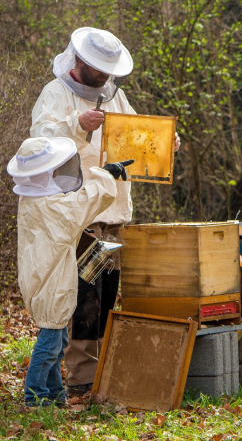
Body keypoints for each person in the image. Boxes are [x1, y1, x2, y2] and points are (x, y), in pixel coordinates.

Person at [30, 27, 181, 394]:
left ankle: (102, 373)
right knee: (86, 298)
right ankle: (83, 377)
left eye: (107, 69)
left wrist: (164, 145)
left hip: (114, 216)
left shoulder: (115, 94)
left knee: (108, 295)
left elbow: (134, 140)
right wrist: (76, 126)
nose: (104, 76)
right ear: (79, 60)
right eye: (98, 68)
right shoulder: (55, 94)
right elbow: (38, 146)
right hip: (80, 217)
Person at [6, 136, 133, 407]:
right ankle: (35, 397)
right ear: (44, 172)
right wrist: (105, 174)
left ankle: (54, 394)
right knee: (51, 340)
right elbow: (81, 205)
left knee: (57, 335)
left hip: (43, 276)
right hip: (50, 282)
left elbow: (70, 203)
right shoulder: (52, 208)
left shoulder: (33, 200)